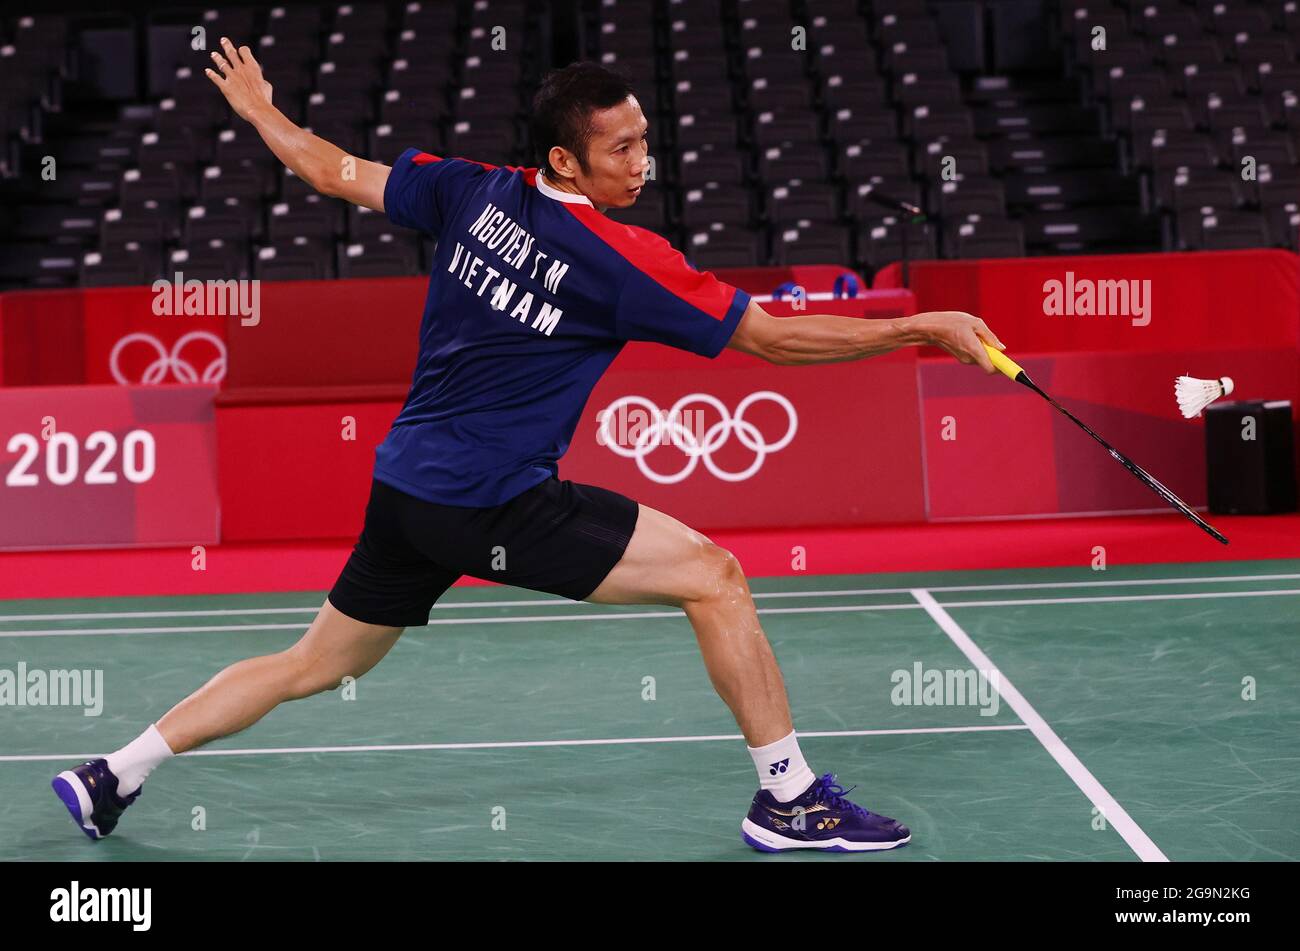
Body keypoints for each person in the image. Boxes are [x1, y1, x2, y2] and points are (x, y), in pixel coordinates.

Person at [52, 42, 1005, 853]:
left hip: (407, 490)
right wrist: (919, 326)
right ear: (566, 157)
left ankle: (113, 772)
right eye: (621, 148)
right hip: (493, 501)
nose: (643, 163)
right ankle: (789, 799)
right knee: (714, 575)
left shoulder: (473, 192)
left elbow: (331, 168)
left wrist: (261, 111)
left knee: (317, 664)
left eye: (644, 139)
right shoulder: (625, 260)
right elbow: (772, 339)